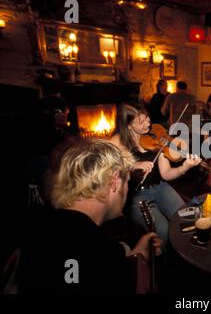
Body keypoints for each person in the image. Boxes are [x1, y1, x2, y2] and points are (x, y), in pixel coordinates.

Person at [15, 138, 161, 293]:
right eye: (127, 183)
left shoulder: (36, 227)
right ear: (114, 182)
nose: (127, 191)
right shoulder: (101, 254)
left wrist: (136, 254)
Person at [110, 103, 201, 244]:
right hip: (136, 196)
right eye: (141, 121)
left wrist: (184, 167)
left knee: (187, 218)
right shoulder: (117, 141)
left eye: (147, 118)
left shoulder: (156, 134)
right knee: (163, 230)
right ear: (128, 125)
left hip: (160, 187)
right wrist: (133, 165)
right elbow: (109, 169)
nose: (148, 123)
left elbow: (166, 174)